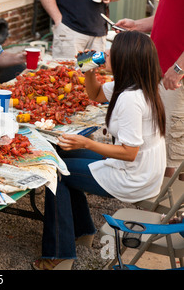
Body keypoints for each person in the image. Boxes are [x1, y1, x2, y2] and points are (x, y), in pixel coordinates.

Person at [34, 31, 166, 270]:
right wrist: (88, 68)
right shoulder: (136, 83)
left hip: (134, 175)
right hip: (140, 167)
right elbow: (94, 94)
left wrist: (85, 143)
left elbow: (129, 152)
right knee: (62, 156)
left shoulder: (130, 99)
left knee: (55, 174)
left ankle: (59, 255)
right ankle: (83, 230)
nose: (104, 54)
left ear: (124, 59)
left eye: (109, 52)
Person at [114, 0, 184, 180]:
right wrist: (137, 25)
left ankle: (172, 210)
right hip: (159, 69)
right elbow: (167, 13)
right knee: (160, 142)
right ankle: (163, 204)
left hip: (176, 76)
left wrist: (179, 68)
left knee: (174, 149)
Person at [36, 0, 130, 60]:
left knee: (94, 73)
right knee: (68, 72)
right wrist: (58, 20)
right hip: (69, 30)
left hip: (99, 33)